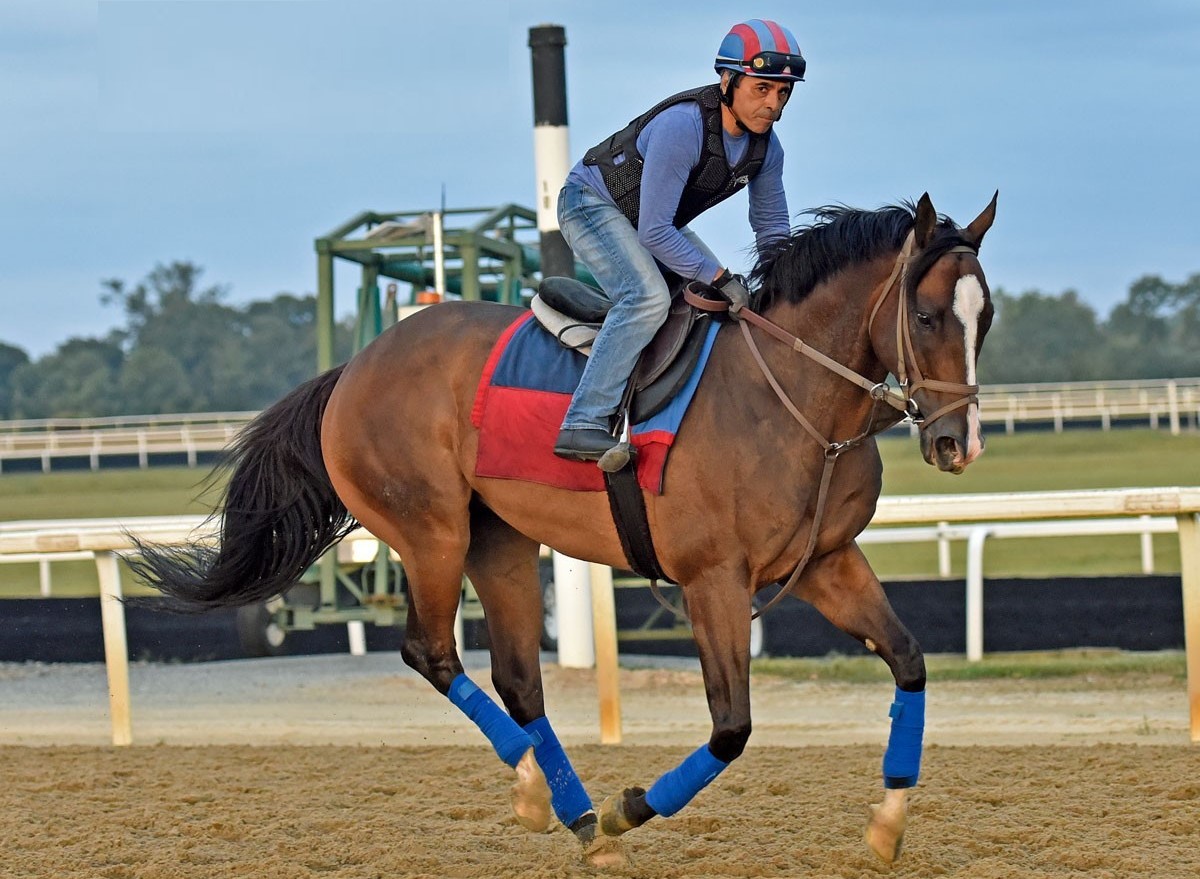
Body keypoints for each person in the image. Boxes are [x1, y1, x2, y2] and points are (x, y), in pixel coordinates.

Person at [553, 19, 805, 463]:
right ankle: (584, 422)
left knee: (721, 300)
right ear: (728, 81)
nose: (773, 104)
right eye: (762, 89)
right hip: (590, 204)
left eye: (783, 93)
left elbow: (772, 233)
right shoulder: (682, 126)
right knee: (646, 297)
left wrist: (787, 289)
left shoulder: (768, 151)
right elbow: (653, 232)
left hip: (651, 219)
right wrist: (720, 274)